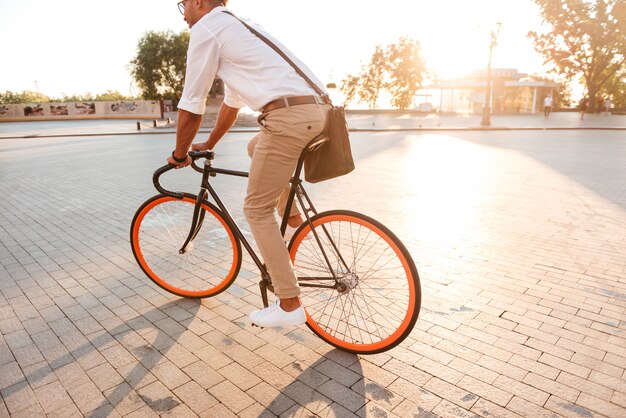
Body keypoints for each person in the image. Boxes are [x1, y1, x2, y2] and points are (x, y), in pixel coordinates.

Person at [167, 0, 330, 327]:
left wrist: (180, 153)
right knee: (257, 147)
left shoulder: (206, 29)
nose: (183, 13)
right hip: (321, 112)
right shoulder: (241, 26)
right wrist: (210, 143)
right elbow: (232, 102)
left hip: (288, 117)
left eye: (182, 4)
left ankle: (289, 304)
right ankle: (293, 217)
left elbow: (192, 103)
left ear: (199, 3)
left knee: (256, 209)